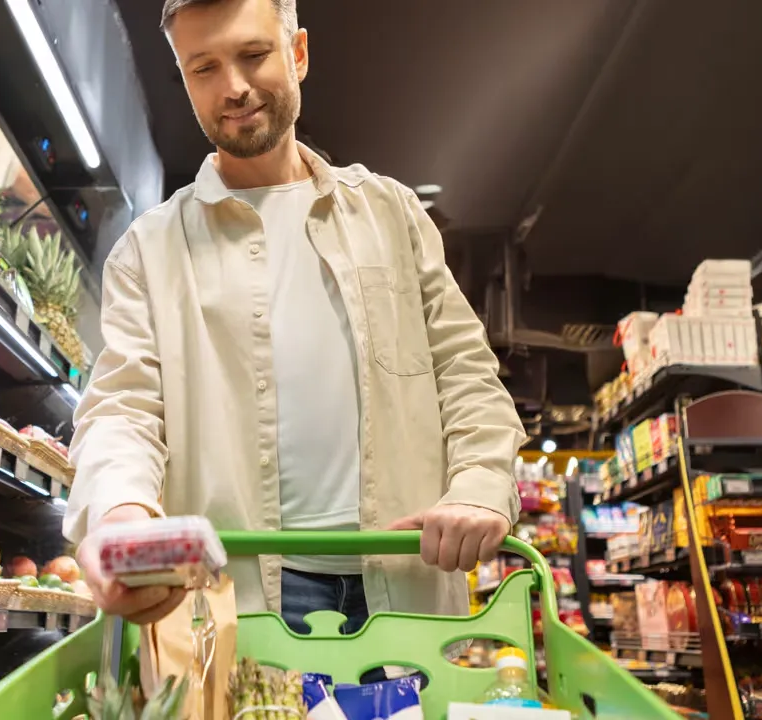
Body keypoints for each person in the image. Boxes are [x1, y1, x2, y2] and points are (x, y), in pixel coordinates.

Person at [64, 0, 526, 632]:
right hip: (242, 599)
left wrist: (479, 485)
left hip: (406, 577)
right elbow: (124, 408)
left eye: (254, 55)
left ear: (298, 53)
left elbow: (465, 374)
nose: (233, 87)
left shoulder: (391, 215)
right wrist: (119, 511)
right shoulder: (150, 252)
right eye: (203, 68)